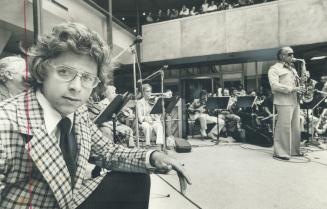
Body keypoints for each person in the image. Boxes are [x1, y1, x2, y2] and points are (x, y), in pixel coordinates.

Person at [0, 22, 191, 209]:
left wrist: (153, 156)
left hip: (71, 200)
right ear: (42, 71)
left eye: (87, 77)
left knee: (137, 175)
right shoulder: (5, 123)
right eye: (64, 72)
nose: (76, 87)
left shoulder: (78, 110)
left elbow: (106, 152)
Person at [268, 46, 306, 160]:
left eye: (292, 54)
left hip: (295, 100)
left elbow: (297, 83)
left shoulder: (292, 69)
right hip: (283, 101)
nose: (292, 56)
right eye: (289, 54)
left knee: (295, 127)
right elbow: (274, 86)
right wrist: (293, 89)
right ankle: (281, 152)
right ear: (281, 56)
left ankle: (294, 151)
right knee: (283, 127)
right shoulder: (274, 69)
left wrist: (303, 79)